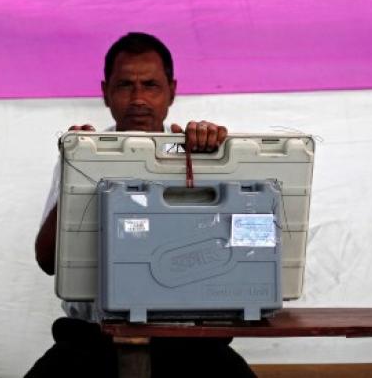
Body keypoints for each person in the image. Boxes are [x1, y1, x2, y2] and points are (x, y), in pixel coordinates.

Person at [25, 32, 256, 378]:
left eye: (150, 85)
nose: (138, 99)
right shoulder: (84, 154)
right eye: (124, 85)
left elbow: (245, 249)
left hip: (189, 340)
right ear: (105, 92)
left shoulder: (201, 153)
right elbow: (47, 261)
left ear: (172, 91)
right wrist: (82, 171)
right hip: (94, 339)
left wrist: (220, 161)